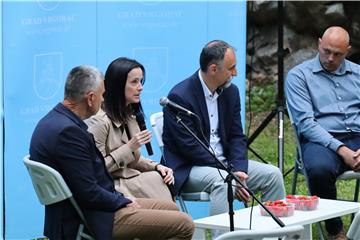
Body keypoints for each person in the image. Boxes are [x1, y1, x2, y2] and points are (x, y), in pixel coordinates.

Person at [30, 65, 194, 240]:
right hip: (94, 218)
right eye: (102, 95)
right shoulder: (69, 133)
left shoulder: (51, 122)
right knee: (184, 224)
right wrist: (123, 201)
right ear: (91, 98)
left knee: (172, 209)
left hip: (95, 207)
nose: (103, 101)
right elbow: (89, 193)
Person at [162, 40, 285, 218]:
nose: (235, 73)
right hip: (189, 167)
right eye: (231, 68)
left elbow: (236, 136)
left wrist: (239, 170)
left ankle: (272, 236)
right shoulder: (180, 96)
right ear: (213, 69)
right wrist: (231, 173)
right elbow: (190, 148)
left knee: (272, 175)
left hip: (227, 165)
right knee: (224, 182)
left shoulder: (231, 92)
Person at [286, 26, 360, 240]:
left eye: (337, 54)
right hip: (320, 139)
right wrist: (342, 149)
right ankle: (335, 231)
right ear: (319, 43)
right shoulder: (299, 76)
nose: (330, 58)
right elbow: (306, 124)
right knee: (318, 169)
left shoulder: (357, 74)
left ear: (348, 50)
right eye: (326, 51)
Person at [86, 57, 174, 201]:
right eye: (134, 82)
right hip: (110, 188)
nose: (140, 87)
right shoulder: (99, 121)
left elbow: (133, 160)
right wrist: (130, 147)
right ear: (117, 85)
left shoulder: (130, 116)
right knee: (157, 185)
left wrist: (157, 167)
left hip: (129, 181)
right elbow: (96, 170)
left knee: (160, 178)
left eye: (141, 81)